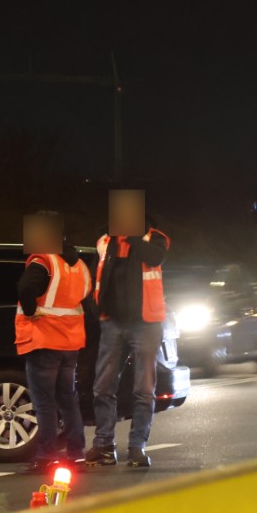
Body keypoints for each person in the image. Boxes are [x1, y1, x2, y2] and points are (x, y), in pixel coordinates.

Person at [86, 189, 170, 468]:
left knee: (143, 390)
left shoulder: (154, 238)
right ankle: (104, 446)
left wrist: (133, 235)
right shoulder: (105, 241)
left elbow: (155, 258)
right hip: (113, 323)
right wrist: (97, 311)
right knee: (102, 387)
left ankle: (137, 447)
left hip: (146, 324)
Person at [16, 212, 90, 472]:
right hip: (70, 344)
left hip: (45, 340)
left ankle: (46, 456)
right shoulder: (79, 264)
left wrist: (29, 310)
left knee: (45, 402)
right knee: (68, 400)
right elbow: (84, 300)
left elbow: (26, 288)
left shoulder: (43, 260)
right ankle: (77, 453)